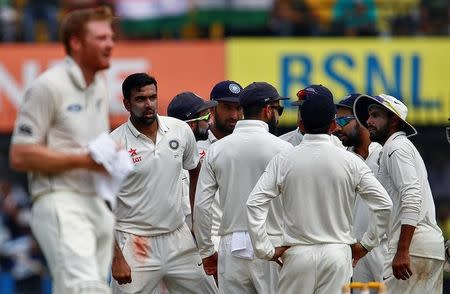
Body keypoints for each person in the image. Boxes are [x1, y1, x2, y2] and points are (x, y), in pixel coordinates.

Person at [9, 6, 115, 294]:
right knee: (87, 289)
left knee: (75, 289)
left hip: (97, 202)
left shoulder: (100, 85)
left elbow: (94, 151)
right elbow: (20, 154)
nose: (110, 44)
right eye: (101, 37)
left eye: (111, 36)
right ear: (76, 43)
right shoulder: (48, 85)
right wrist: (82, 160)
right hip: (60, 201)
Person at [246, 94, 393, 294]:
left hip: (297, 254)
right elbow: (384, 204)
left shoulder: (284, 160)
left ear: (301, 125)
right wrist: (367, 244)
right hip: (337, 255)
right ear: (333, 125)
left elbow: (254, 203)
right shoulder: (350, 161)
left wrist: (265, 249)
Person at [110, 73, 217, 294]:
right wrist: (116, 257)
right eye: (140, 99)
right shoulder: (114, 144)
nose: (148, 104)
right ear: (127, 104)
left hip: (178, 237)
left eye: (153, 97)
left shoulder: (180, 130)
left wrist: (197, 222)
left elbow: (195, 170)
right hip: (135, 242)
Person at [194, 82, 293, 293]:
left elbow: (202, 206)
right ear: (268, 110)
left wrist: (207, 251)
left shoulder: (217, 150)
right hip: (273, 243)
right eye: (278, 110)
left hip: (231, 246)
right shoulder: (284, 149)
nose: (278, 115)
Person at [354, 93, 445, 293]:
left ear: (394, 120)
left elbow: (411, 197)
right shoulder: (400, 147)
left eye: (376, 115)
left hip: (413, 246)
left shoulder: (396, 148)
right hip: (426, 246)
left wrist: (403, 250)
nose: (368, 121)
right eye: (369, 116)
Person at [333, 93, 387, 284]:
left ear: (362, 119)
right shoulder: (340, 158)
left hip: (385, 249)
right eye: (335, 119)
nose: (337, 127)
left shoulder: (385, 154)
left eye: (342, 119)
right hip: (353, 252)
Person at [197, 80, 244, 251]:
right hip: (205, 242)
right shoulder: (195, 147)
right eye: (227, 107)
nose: (234, 115)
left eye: (238, 108)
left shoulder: (250, 147)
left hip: (244, 238)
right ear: (212, 109)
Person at [167, 91, 218, 230]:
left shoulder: (207, 152)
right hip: (187, 242)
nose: (210, 121)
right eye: (206, 117)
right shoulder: (176, 162)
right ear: (190, 125)